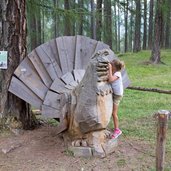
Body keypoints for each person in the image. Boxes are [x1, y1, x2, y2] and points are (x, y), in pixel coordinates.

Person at [108, 59, 125, 139]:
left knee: (114, 113)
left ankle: (117, 130)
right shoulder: (115, 72)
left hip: (117, 95)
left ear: (114, 67)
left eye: (111, 65)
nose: (110, 67)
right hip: (114, 94)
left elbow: (110, 80)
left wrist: (109, 69)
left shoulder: (118, 73)